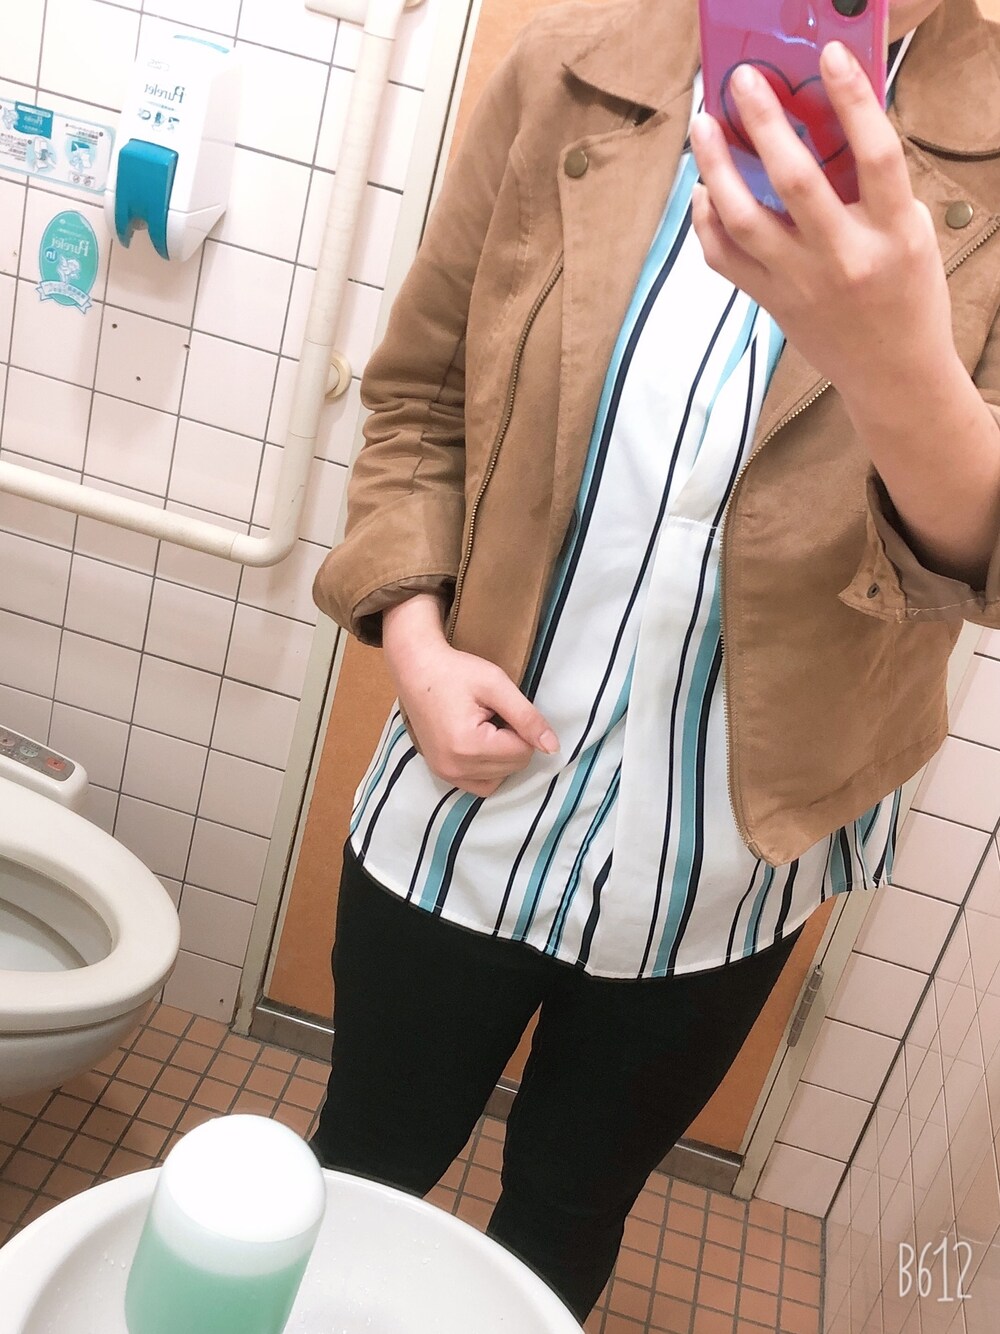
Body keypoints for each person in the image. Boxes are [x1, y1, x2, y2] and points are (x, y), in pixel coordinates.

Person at [310, 0, 1000, 1320]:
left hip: (737, 858)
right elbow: (416, 404)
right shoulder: (569, 69)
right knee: (360, 1169)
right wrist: (415, 644)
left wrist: (900, 358)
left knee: (568, 1210)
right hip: (463, 802)